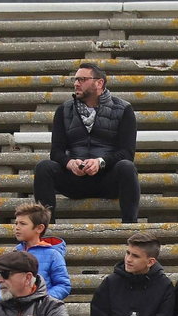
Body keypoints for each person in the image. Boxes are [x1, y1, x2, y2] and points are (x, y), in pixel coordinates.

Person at [32, 62, 140, 224]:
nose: (76, 84)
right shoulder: (64, 110)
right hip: (75, 180)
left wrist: (100, 162)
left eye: (82, 79)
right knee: (43, 167)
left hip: (108, 180)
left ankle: (130, 227)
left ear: (99, 83)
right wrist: (70, 163)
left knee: (127, 167)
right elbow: (56, 151)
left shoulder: (123, 109)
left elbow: (127, 152)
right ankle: (46, 230)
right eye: (75, 80)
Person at [11, 203, 71, 301]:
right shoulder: (14, 253)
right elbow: (4, 285)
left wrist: (42, 300)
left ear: (39, 228)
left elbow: (63, 285)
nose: (17, 227)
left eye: (23, 224)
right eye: (16, 223)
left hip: (41, 311)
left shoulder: (53, 255)